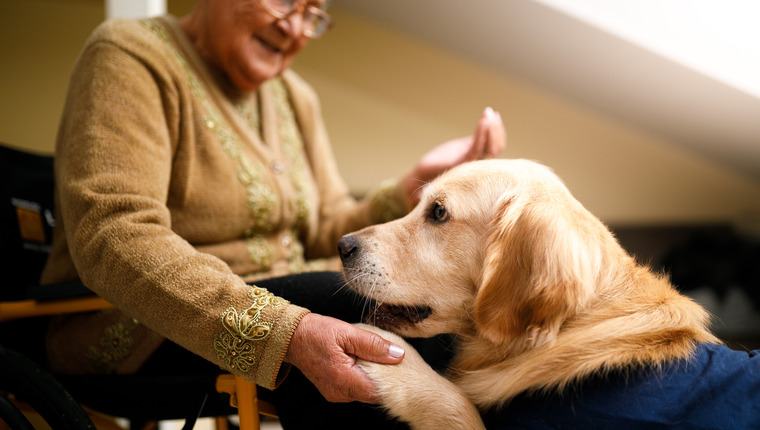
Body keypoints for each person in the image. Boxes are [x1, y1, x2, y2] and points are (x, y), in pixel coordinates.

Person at [39, 0, 505, 426]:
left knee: (440, 320)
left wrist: (411, 186)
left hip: (285, 294)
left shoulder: (294, 96)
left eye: (313, 13)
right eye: (285, 1)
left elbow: (328, 229)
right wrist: (284, 330)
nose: (296, 28)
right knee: (361, 314)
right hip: (135, 330)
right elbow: (111, 235)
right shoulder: (129, 55)